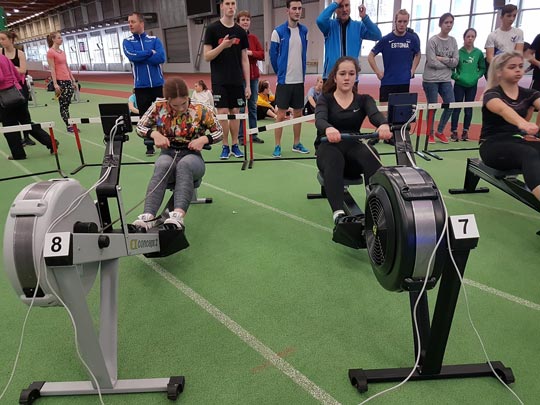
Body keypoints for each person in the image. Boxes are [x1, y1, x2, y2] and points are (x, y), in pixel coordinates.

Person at [133, 77, 223, 230]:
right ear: (167, 100)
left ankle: (177, 216)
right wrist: (154, 134)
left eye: (184, 103)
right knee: (162, 165)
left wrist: (204, 139)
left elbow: (219, 132)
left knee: (184, 165)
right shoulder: (158, 107)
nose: (180, 108)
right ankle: (148, 216)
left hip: (192, 156)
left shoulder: (201, 108)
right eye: (175, 105)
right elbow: (140, 127)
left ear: (188, 97)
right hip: (168, 153)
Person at [315, 56, 392, 226]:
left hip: (352, 151)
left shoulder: (364, 100)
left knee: (371, 154)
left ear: (356, 77)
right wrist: (328, 128)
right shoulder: (325, 99)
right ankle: (338, 214)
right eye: (342, 74)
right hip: (329, 147)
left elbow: (375, 115)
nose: (347, 78)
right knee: (334, 159)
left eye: (351, 74)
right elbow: (320, 119)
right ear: (335, 77)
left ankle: (376, 209)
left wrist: (383, 124)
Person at [480, 51, 540, 202]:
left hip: (518, 140)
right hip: (492, 146)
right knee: (529, 154)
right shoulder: (491, 94)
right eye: (512, 67)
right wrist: (522, 123)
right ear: (499, 72)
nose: (518, 70)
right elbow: (503, 110)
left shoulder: (530, 94)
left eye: (520, 66)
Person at [203, 0, 250, 160]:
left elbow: (245, 59)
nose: (231, 7)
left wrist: (248, 85)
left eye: (233, 3)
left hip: (236, 80)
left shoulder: (241, 31)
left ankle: (235, 144)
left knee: (235, 112)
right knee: (222, 113)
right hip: (219, 79)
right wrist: (222, 46)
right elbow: (207, 56)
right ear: (221, 6)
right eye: (227, 3)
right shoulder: (212, 29)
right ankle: (225, 145)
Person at [1, 30, 55, 152]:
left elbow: (22, 71)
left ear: (11, 40)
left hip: (14, 89)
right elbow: (16, 72)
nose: (1, 42)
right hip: (13, 88)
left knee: (11, 121)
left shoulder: (19, 53)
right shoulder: (1, 53)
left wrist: (11, 70)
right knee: (22, 119)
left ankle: (20, 149)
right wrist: (13, 70)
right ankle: (50, 142)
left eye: (3, 39)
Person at [270, 0, 309, 158]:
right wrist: (280, 73)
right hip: (284, 82)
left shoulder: (304, 31)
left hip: (299, 81)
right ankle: (277, 146)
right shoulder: (278, 32)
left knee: (298, 114)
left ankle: (296, 143)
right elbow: (273, 57)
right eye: (294, 8)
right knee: (280, 115)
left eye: (299, 8)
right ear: (287, 10)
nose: (297, 11)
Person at [123, 12, 166, 156]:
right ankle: (149, 145)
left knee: (162, 116)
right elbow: (132, 56)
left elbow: (161, 58)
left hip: (158, 85)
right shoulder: (127, 42)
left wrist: (141, 56)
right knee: (145, 118)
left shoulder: (154, 40)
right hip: (141, 87)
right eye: (129, 22)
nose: (130, 24)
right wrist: (150, 52)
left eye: (133, 21)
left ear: (141, 23)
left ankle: (164, 142)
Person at [316, 0, 381, 82]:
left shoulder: (359, 26)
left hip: (351, 77)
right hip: (331, 76)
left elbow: (377, 35)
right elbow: (320, 20)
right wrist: (335, 3)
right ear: (335, 9)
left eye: (347, 5)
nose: (344, 9)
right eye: (340, 6)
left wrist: (365, 18)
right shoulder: (329, 26)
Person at [367, 9, 421, 104]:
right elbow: (370, 56)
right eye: (399, 21)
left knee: (401, 111)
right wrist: (378, 72)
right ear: (395, 21)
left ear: (408, 22)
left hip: (404, 82)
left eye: (405, 21)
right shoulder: (386, 39)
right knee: (384, 111)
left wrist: (412, 70)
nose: (402, 24)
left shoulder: (412, 39)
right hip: (387, 82)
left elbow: (418, 54)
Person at [422, 13, 458, 144]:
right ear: (440, 24)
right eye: (446, 22)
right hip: (431, 80)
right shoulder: (432, 41)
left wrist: (442, 59)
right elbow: (432, 62)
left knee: (451, 104)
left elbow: (456, 62)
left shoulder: (453, 41)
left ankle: (440, 131)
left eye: (451, 22)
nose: (449, 25)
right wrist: (448, 63)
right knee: (432, 106)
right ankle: (430, 133)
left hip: (445, 80)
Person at [450, 28, 486, 142]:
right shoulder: (458, 52)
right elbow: (451, 69)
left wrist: (477, 76)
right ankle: (454, 131)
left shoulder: (478, 53)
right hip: (459, 85)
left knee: (469, 109)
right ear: (464, 38)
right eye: (468, 36)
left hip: (472, 85)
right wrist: (457, 77)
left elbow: (482, 68)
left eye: (472, 36)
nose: (470, 39)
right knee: (456, 108)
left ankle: (465, 131)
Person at [237, 10, 265, 144]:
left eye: (247, 20)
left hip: (254, 78)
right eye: (243, 20)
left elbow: (262, 54)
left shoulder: (253, 38)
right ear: (238, 22)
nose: (245, 22)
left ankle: (253, 134)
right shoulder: (235, 39)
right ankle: (241, 136)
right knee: (241, 108)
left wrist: (250, 53)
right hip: (240, 78)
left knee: (253, 106)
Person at [46, 31, 77, 133]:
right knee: (63, 104)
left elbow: (66, 66)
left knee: (67, 103)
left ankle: (69, 122)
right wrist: (55, 84)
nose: (61, 39)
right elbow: (52, 68)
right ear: (53, 39)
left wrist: (73, 80)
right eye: (59, 38)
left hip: (67, 80)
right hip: (60, 81)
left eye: (61, 37)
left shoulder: (62, 52)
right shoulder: (50, 52)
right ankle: (68, 125)